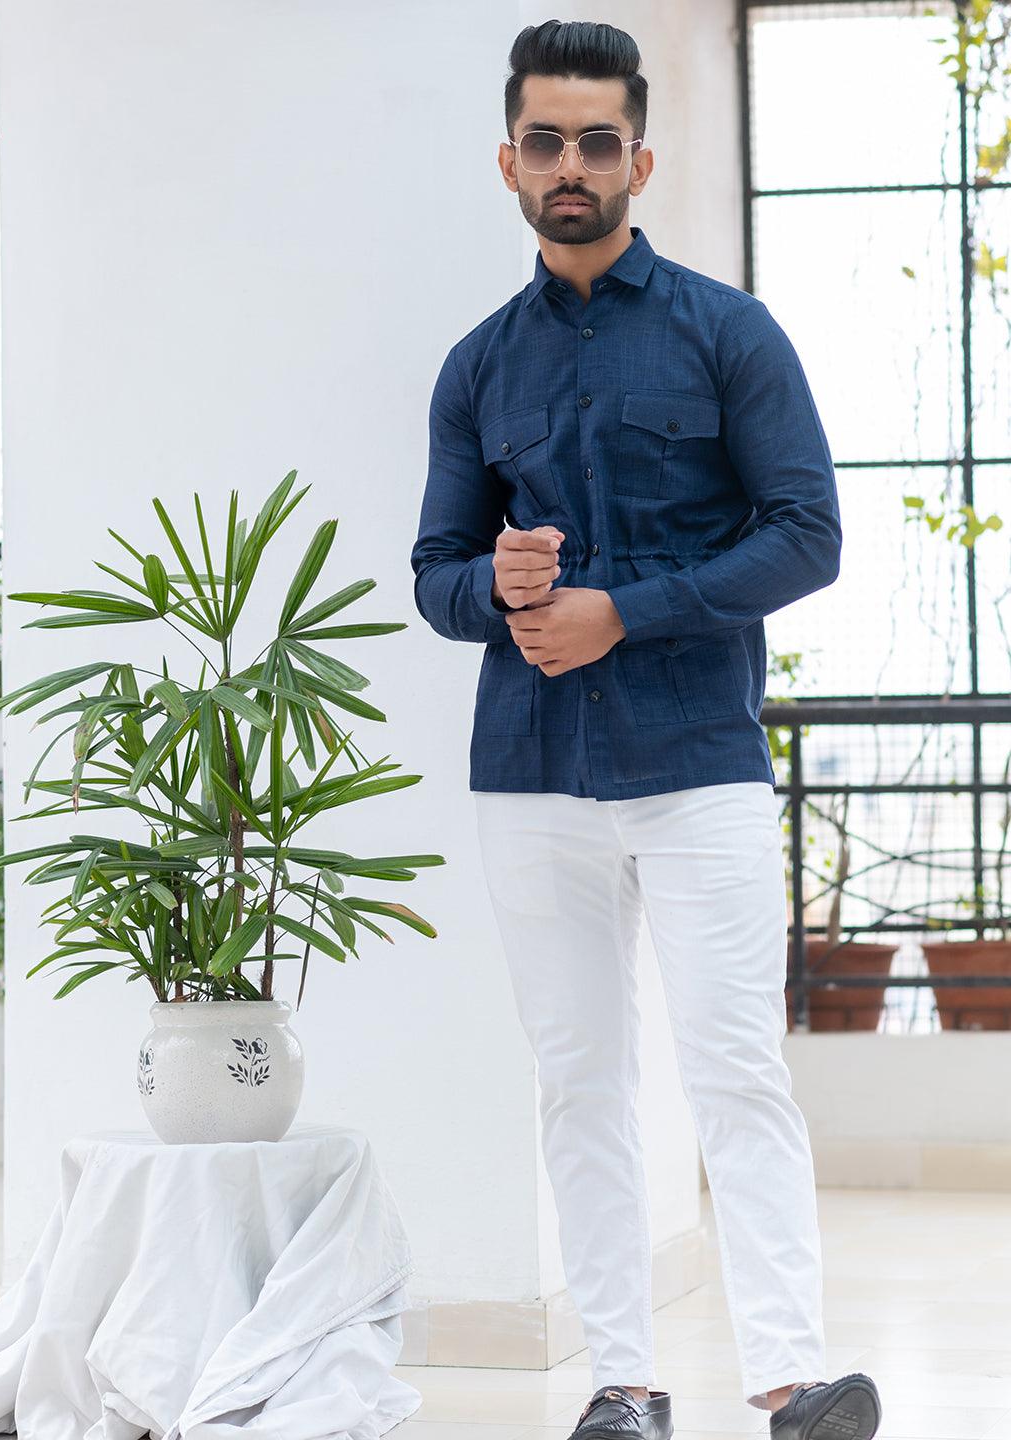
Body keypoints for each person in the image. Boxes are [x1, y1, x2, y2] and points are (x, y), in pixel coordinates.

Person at [409, 18, 882, 1440]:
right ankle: (623, 1384)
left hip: (698, 765)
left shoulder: (730, 335)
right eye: (546, 140)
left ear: (640, 160)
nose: (573, 163)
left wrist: (629, 610)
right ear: (508, 162)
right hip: (529, 775)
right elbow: (434, 573)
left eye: (597, 140)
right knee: (580, 1083)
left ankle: (791, 1378)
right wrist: (495, 588)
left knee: (735, 1067)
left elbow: (809, 534)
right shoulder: (474, 368)